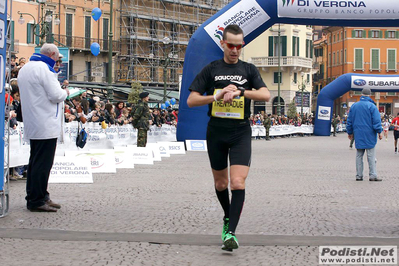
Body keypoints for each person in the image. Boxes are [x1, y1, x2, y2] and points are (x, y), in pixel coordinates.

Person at [187, 24, 270, 251]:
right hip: (216, 131)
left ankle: (230, 232)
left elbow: (266, 95)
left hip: (240, 132)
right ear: (223, 44)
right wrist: (217, 95)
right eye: (231, 45)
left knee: (237, 182)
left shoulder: (248, 69)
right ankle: (227, 217)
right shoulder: (212, 69)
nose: (235, 50)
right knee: (221, 183)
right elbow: (191, 100)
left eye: (239, 46)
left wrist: (241, 92)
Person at [18, 43, 69, 212]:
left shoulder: (25, 69)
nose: (58, 62)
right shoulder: (45, 70)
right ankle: (37, 200)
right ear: (53, 54)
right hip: (46, 122)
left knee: (35, 162)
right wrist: (66, 92)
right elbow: (56, 95)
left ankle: (37, 195)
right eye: (57, 59)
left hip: (34, 121)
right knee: (43, 164)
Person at [346, 88, 382, 182]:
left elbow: (349, 121)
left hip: (358, 134)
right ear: (370, 95)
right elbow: (376, 121)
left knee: (359, 155)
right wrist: (379, 131)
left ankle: (359, 175)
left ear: (361, 94)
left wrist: (350, 132)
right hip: (370, 134)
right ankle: (373, 175)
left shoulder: (354, 106)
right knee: (371, 156)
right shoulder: (372, 106)